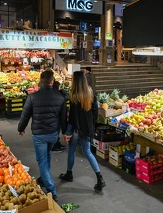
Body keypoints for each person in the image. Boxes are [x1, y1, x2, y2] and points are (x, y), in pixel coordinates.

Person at [17, 70, 67, 202]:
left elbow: (25, 115)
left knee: (42, 161)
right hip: (53, 134)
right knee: (48, 155)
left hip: (39, 134)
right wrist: (65, 132)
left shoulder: (32, 97)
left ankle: (51, 190)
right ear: (52, 81)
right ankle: (45, 179)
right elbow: (63, 118)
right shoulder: (60, 97)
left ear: (40, 81)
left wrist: (21, 128)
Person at [59, 71, 106, 192]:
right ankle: (99, 177)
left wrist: (67, 133)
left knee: (72, 151)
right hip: (87, 128)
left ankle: (69, 173)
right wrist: (91, 124)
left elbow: (73, 118)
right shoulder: (91, 93)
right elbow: (95, 112)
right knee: (87, 152)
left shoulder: (74, 96)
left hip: (76, 129)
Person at [51, 81, 67, 153]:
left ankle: (57, 143)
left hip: (53, 117)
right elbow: (67, 97)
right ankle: (54, 146)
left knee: (55, 131)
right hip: (56, 117)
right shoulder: (59, 95)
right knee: (56, 131)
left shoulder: (51, 94)